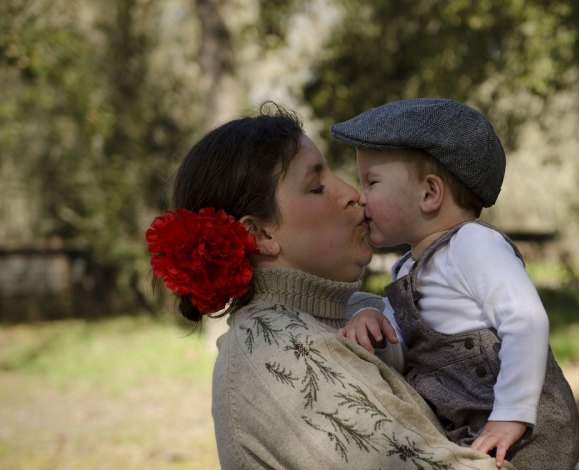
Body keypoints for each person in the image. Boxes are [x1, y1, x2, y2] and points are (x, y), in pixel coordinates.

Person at [146, 103, 517, 469]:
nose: (353, 194)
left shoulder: (359, 310)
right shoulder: (270, 354)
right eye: (317, 186)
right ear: (258, 234)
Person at [331, 98, 579, 469]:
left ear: (430, 194)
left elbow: (526, 321)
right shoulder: (405, 272)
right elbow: (404, 355)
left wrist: (511, 414)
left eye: (372, 182)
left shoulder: (473, 245)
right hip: (468, 434)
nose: (360, 196)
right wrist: (374, 326)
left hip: (527, 435)